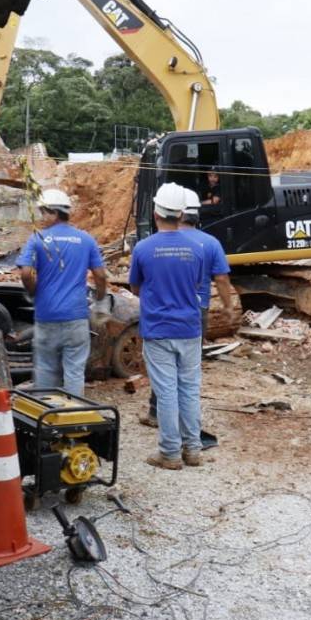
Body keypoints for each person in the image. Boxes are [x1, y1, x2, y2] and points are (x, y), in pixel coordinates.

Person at [129, 183, 207, 470]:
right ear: (182, 212)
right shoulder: (196, 248)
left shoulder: (143, 248)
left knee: (166, 392)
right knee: (189, 389)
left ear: (156, 211)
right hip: (189, 329)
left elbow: (135, 287)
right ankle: (193, 450)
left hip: (158, 330)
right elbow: (197, 283)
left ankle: (170, 453)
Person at [142, 188, 233, 428]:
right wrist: (228, 307)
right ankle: (188, 430)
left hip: (161, 314)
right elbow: (222, 279)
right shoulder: (209, 243)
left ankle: (156, 414)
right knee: (188, 376)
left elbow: (140, 284)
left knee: (163, 372)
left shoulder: (153, 244)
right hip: (195, 313)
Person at [16, 189, 108, 397]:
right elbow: (101, 275)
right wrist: (101, 300)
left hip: (47, 317)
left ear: (54, 213)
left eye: (43, 212)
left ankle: (47, 419)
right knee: (74, 373)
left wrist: (33, 292)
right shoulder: (85, 239)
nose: (41, 217)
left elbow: (25, 273)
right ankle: (72, 418)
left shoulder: (37, 239)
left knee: (46, 370)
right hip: (76, 317)